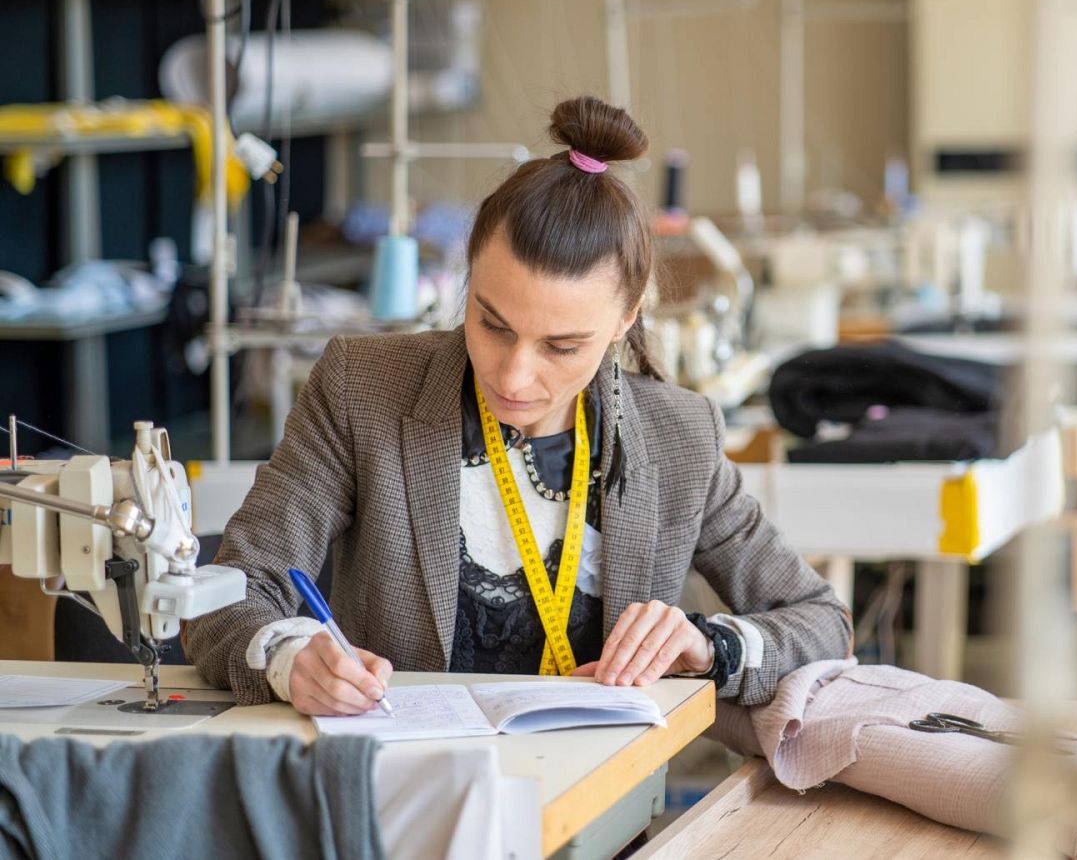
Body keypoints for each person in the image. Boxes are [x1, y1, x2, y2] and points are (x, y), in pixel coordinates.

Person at [183, 96, 852, 716]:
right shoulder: (364, 391)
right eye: (492, 322)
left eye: (561, 346)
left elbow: (822, 622)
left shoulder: (680, 436)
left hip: (599, 806)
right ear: (469, 274)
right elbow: (228, 594)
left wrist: (710, 645)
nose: (513, 373)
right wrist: (289, 656)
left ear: (628, 314)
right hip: (406, 791)